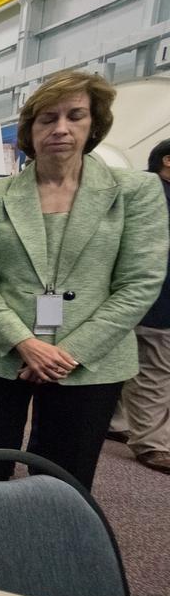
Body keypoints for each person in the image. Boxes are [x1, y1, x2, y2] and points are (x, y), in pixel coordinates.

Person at [0, 72, 168, 490]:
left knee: (62, 480)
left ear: (94, 126)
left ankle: (50, 551)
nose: (60, 129)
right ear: (30, 130)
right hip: (2, 353)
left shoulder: (135, 192)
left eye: (75, 116)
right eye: (47, 118)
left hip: (89, 362)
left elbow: (139, 283)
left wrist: (66, 353)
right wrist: (26, 343)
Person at [108, 138, 170, 474]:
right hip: (152, 302)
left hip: (137, 299)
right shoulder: (152, 195)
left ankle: (116, 422)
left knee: (126, 367)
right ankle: (152, 443)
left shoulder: (135, 191)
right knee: (153, 372)